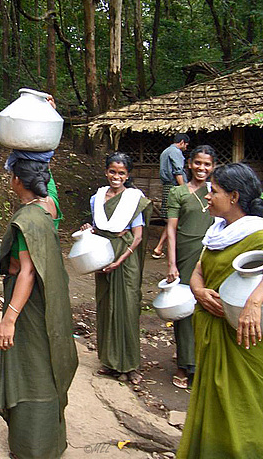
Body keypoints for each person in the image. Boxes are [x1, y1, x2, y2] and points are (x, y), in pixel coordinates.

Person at [177, 163, 263, 458]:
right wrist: (198, 290)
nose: (208, 196)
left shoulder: (257, 233)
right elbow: (199, 270)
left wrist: (254, 302)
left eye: (215, 191)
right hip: (215, 335)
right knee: (213, 405)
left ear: (234, 197)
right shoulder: (218, 232)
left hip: (245, 340)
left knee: (244, 410)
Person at [0, 158, 78, 459]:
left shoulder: (26, 219)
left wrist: (9, 319)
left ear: (17, 181)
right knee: (47, 363)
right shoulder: (47, 206)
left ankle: (31, 447)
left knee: (30, 367)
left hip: (28, 302)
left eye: (11, 175)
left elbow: (26, 271)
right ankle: (51, 441)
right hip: (49, 299)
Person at [80, 152, 152, 384]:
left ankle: (130, 366)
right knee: (106, 306)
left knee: (127, 308)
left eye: (121, 173)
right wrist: (89, 228)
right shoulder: (97, 197)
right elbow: (100, 226)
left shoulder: (133, 199)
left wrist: (121, 260)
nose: (116, 176)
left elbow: (138, 236)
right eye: (112, 171)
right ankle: (110, 362)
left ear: (128, 175)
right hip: (102, 254)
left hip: (125, 256)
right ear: (106, 172)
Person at [164, 145, 216, 388]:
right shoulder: (178, 192)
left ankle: (205, 365)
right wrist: (172, 263)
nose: (202, 168)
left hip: (212, 254)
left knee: (208, 307)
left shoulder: (217, 191)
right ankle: (185, 365)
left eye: (207, 164)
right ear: (189, 164)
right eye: (198, 163)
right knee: (184, 310)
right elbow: (171, 229)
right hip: (185, 253)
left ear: (213, 167)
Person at [152, 133, 190, 259]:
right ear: (182, 142)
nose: (186, 147)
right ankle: (161, 247)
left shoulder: (166, 151)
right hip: (175, 188)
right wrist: (184, 189)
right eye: (186, 145)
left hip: (168, 187)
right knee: (174, 219)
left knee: (171, 219)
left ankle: (159, 247)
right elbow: (178, 171)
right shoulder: (175, 152)